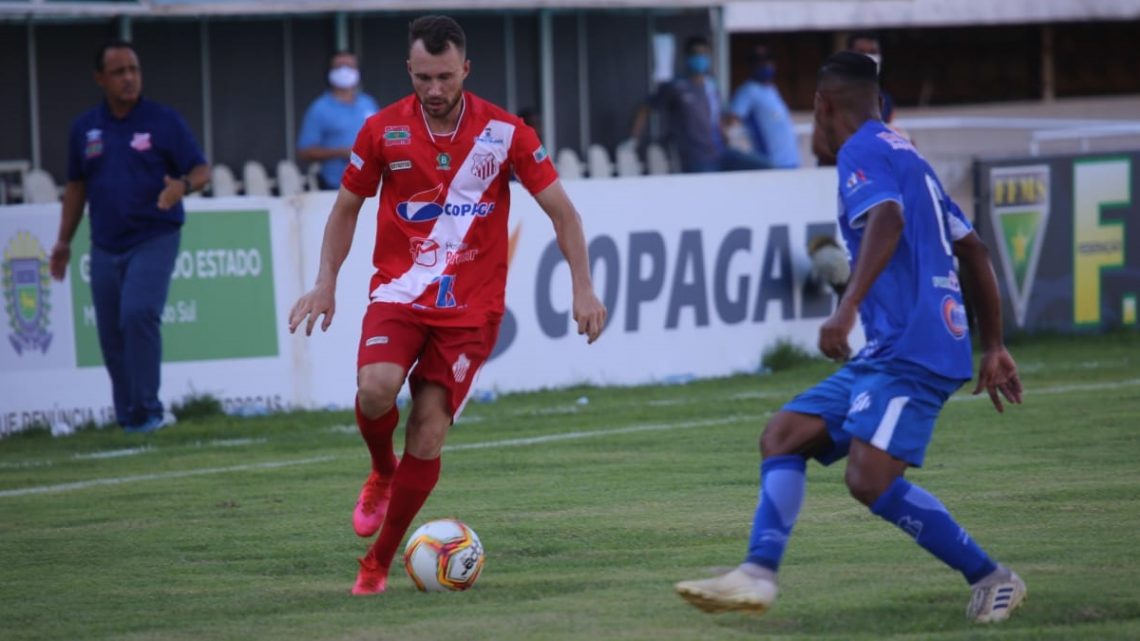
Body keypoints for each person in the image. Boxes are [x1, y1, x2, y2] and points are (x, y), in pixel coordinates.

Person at [674, 52, 1027, 624]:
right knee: (783, 435)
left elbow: (887, 219)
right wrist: (993, 344)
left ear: (822, 105)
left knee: (868, 479)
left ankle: (993, 577)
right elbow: (975, 249)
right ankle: (757, 575)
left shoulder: (863, 149)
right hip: (894, 349)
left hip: (914, 348)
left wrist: (846, 308)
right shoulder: (905, 152)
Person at [288, 14, 607, 595]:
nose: (434, 90)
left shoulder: (508, 134)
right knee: (376, 387)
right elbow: (345, 210)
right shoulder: (382, 131)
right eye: (424, 77)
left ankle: (378, 562)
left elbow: (563, 212)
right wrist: (325, 281)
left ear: (466, 70)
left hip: (470, 312)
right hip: (400, 295)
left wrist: (582, 286)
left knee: (429, 433)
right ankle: (382, 473)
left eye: (446, 77)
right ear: (409, 70)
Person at [49, 40, 209, 434]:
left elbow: (202, 169)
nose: (129, 78)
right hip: (104, 242)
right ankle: (129, 416)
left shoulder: (163, 121)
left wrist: (182, 186)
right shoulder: (85, 128)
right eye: (119, 72)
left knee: (138, 313)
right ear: (100, 78)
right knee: (110, 331)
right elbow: (75, 187)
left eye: (133, 69)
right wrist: (64, 241)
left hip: (155, 234)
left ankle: (150, 410)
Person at [630, 36, 766, 173]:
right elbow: (644, 109)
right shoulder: (676, 87)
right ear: (687, 56)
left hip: (722, 153)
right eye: (696, 53)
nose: (700, 58)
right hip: (697, 159)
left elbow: (718, 119)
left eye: (704, 53)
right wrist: (633, 141)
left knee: (767, 167)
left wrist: (729, 136)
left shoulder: (712, 86)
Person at [297, 51, 380, 191]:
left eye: (349, 66)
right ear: (330, 72)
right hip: (336, 186)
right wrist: (341, 152)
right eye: (339, 66)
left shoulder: (368, 103)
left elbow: (381, 136)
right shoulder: (319, 108)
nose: (344, 71)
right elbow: (305, 151)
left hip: (372, 184)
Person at [730, 44, 800, 169]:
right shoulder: (748, 91)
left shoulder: (772, 89)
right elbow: (732, 120)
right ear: (751, 65)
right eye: (759, 61)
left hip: (791, 162)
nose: (765, 64)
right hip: (772, 165)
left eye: (768, 59)